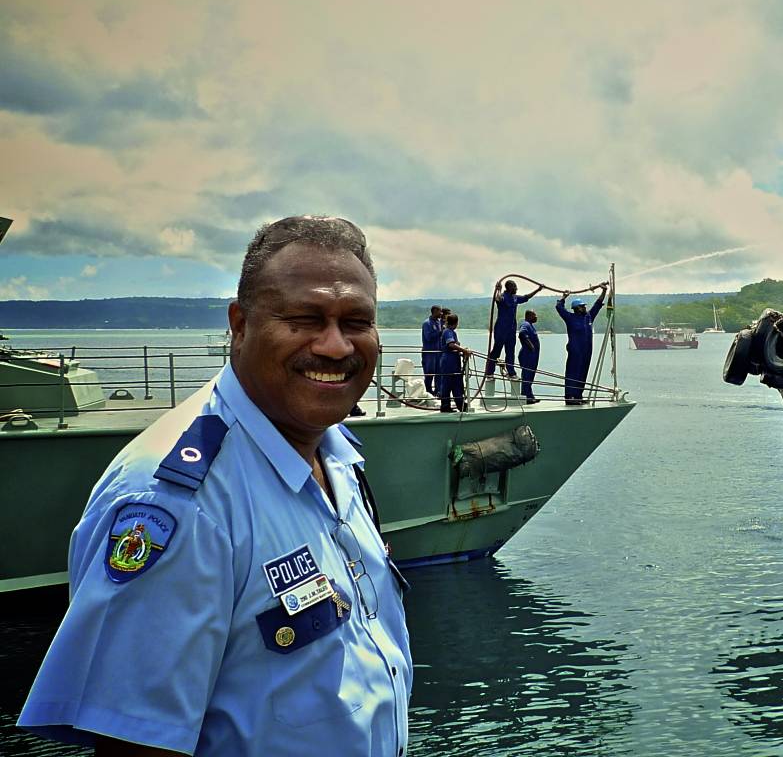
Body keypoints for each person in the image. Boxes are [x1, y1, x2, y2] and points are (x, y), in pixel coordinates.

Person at [18, 216, 411, 757]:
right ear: (240, 324)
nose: (336, 346)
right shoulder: (181, 502)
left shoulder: (336, 456)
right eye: (304, 318)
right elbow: (136, 742)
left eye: (357, 321)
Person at [556, 284, 607, 405]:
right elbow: (559, 307)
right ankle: (570, 396)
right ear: (576, 308)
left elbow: (598, 304)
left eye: (584, 306)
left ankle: (578, 395)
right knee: (573, 371)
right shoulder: (570, 317)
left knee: (583, 371)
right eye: (582, 306)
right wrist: (564, 297)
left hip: (587, 349)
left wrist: (604, 291)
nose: (584, 308)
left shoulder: (588, 317)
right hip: (575, 349)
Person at [485, 280, 543, 378]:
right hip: (501, 328)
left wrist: (538, 289)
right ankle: (490, 372)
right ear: (509, 288)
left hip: (511, 329)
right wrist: (498, 289)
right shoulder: (503, 297)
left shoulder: (515, 298)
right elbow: (498, 299)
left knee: (510, 351)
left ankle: (511, 372)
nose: (516, 289)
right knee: (497, 350)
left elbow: (526, 297)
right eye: (514, 287)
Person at [439, 312, 470, 413]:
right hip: (448, 361)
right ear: (456, 323)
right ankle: (445, 406)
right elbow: (451, 345)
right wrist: (464, 351)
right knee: (448, 383)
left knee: (457, 383)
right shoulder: (448, 332)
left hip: (453, 361)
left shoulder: (451, 332)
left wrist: (461, 350)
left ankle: (460, 404)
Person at [518, 309, 540, 404]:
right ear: (529, 316)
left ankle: (530, 396)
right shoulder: (526, 324)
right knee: (527, 376)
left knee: (530, 376)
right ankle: (526, 396)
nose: (536, 317)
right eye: (534, 315)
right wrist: (530, 345)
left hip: (532, 356)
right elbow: (522, 333)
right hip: (527, 355)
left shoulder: (531, 326)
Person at [421, 304, 443, 395]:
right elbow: (428, 337)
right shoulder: (427, 323)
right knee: (429, 373)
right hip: (429, 353)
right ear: (434, 311)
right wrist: (440, 333)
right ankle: (428, 391)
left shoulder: (439, 323)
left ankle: (437, 391)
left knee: (438, 374)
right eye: (439, 311)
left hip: (438, 353)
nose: (441, 313)